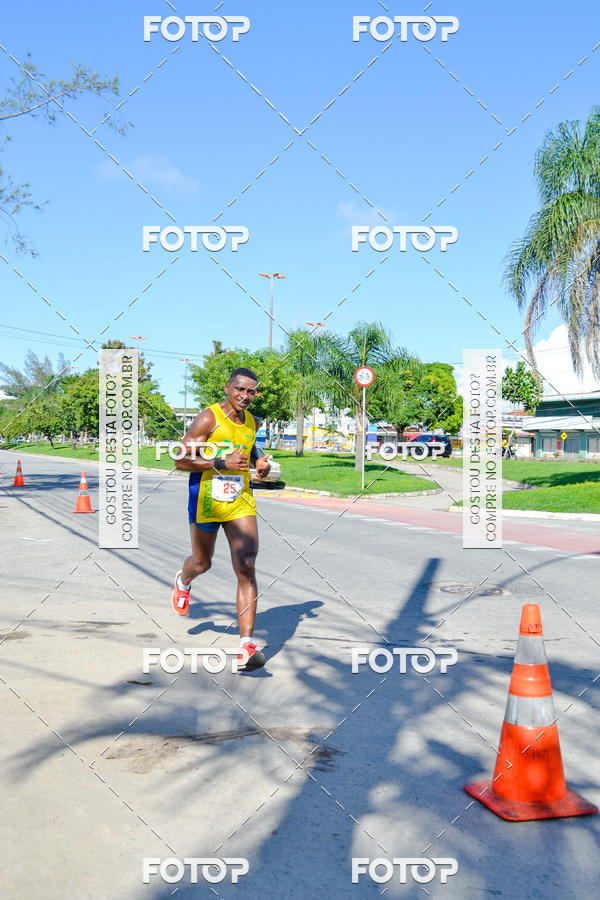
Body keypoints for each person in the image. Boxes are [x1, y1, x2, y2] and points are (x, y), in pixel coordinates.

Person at [171, 368, 271, 671]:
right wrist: (218, 462)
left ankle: (246, 646)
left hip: (240, 501)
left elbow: (250, 447)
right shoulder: (208, 418)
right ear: (228, 388)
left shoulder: (253, 421)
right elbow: (179, 458)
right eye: (240, 389)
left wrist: (260, 464)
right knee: (203, 563)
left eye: (251, 391)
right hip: (206, 500)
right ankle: (184, 579)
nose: (245, 396)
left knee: (246, 565)